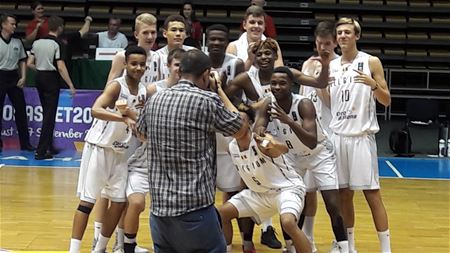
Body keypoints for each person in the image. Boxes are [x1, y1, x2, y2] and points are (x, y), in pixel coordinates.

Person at [136, 50, 246, 253]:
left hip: (160, 210)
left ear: (180, 72)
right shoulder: (206, 101)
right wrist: (219, 91)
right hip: (195, 209)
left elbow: (141, 134)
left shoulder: (155, 100)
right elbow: (239, 128)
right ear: (206, 74)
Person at [254, 66, 348, 253]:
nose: (277, 87)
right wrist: (260, 132)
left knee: (332, 204)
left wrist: (288, 120)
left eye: (282, 83)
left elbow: (311, 141)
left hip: (319, 154)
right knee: (291, 203)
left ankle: (344, 247)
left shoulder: (304, 104)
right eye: (273, 83)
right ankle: (291, 248)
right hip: (293, 156)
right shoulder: (268, 103)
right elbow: (260, 125)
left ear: (291, 84)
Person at [68, 45, 148, 253]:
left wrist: (138, 126)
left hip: (120, 152)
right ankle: (73, 250)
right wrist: (123, 117)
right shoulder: (116, 86)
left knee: (120, 203)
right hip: (99, 148)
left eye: (141, 64)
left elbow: (137, 122)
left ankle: (100, 249)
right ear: (126, 65)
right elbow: (95, 109)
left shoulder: (143, 92)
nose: (138, 68)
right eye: (133, 64)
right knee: (87, 202)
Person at [93, 12, 160, 253]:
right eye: (146, 33)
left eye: (153, 32)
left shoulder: (158, 57)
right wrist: (122, 116)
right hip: (119, 127)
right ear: (136, 34)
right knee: (107, 189)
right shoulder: (122, 56)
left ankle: (121, 244)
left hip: (139, 128)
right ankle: (97, 238)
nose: (150, 36)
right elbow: (110, 88)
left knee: (125, 190)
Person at [327, 17, 392, 253]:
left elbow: (387, 101)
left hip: (361, 138)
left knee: (372, 194)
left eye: (347, 32)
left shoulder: (371, 62)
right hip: (338, 137)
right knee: (344, 195)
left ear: (357, 36)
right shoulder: (331, 65)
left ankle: (386, 249)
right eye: (339, 33)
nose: (342, 36)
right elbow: (329, 102)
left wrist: (373, 85)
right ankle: (349, 247)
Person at [219, 108, 311, 253]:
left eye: (241, 121)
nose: (236, 125)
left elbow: (283, 149)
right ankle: (226, 250)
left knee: (288, 223)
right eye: (234, 122)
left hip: (286, 189)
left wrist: (273, 144)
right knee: (223, 213)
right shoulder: (232, 147)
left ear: (249, 124)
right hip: (259, 194)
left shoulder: (260, 141)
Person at [122, 48, 186, 253]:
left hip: (174, 163)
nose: (180, 69)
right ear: (168, 66)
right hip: (147, 159)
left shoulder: (193, 92)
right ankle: (127, 245)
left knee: (173, 211)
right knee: (137, 203)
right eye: (176, 64)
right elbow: (142, 126)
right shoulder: (153, 90)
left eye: (184, 66)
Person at [297, 20, 340, 253]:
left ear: (334, 43)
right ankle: (308, 237)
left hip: (330, 133)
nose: (323, 47)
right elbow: (303, 95)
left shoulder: (338, 65)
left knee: (332, 193)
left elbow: (330, 101)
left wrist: (321, 73)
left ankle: (339, 240)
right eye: (320, 43)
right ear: (315, 41)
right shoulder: (307, 63)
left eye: (327, 43)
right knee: (307, 189)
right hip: (308, 133)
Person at [26, 15, 76, 160]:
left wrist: (40, 71)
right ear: (60, 28)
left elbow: (29, 63)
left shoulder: (37, 42)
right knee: (49, 116)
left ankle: (49, 146)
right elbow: (60, 66)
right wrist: (70, 84)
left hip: (39, 78)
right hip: (51, 79)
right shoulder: (59, 43)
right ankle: (41, 151)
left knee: (47, 114)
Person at [0, 14, 34, 153]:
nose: (14, 26)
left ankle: (25, 143)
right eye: (12, 24)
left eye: (15, 24)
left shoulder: (17, 42)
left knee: (21, 110)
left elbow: (22, 60)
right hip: (0, 75)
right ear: (3, 25)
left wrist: (24, 77)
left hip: (13, 76)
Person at [226, 5, 283, 71]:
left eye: (260, 23)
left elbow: (279, 72)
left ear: (264, 26)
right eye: (252, 22)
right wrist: (250, 60)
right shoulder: (233, 47)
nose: (256, 26)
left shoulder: (273, 44)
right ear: (244, 25)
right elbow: (230, 77)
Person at [156, 14, 194, 80]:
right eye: (173, 30)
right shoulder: (157, 56)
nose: (178, 34)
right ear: (165, 33)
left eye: (181, 30)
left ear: (186, 34)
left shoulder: (193, 53)